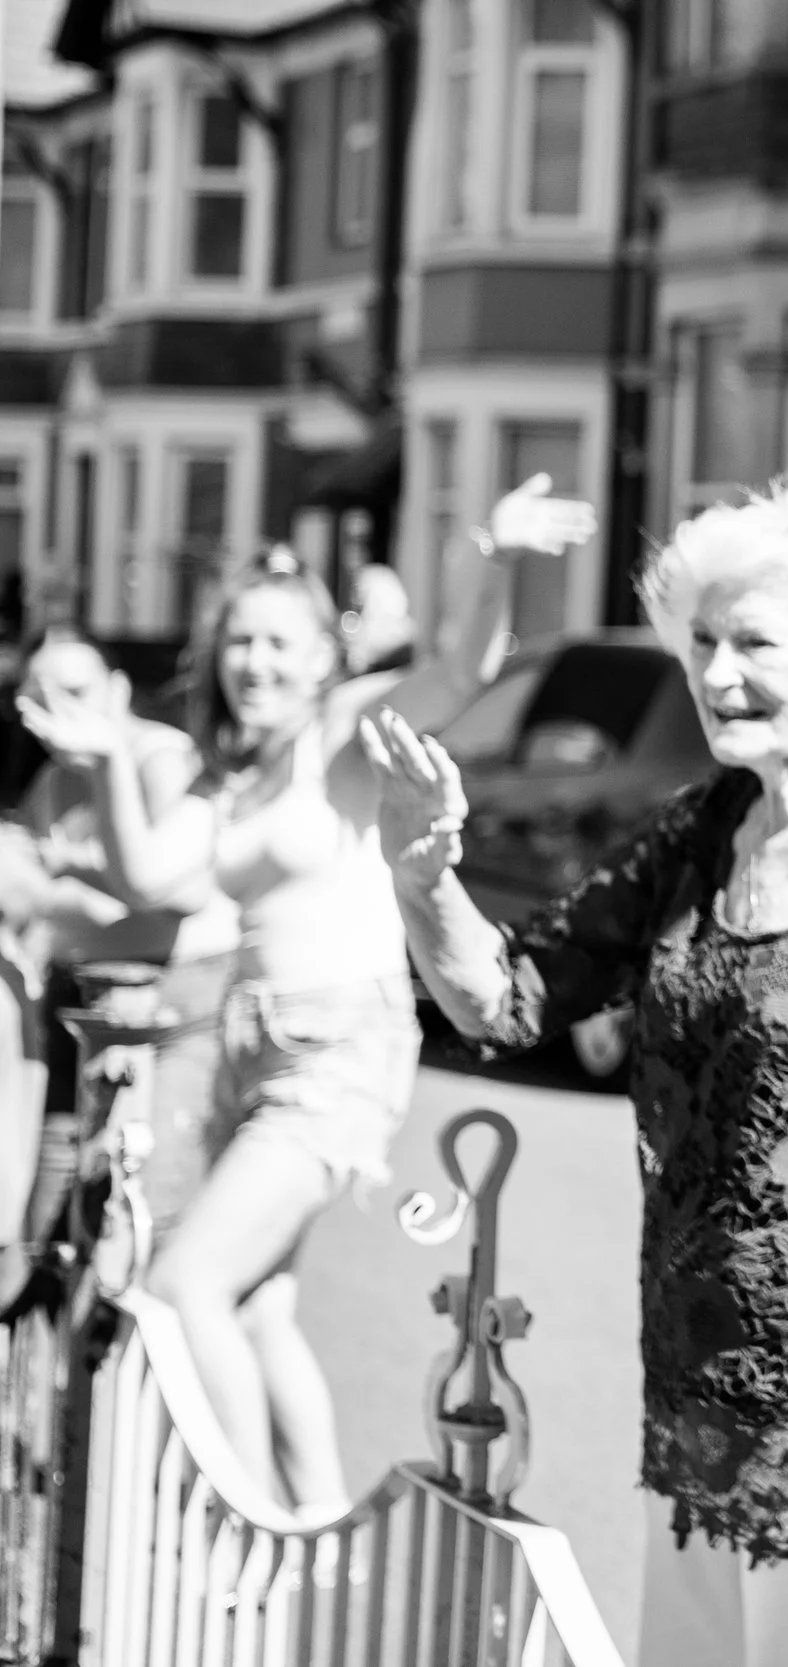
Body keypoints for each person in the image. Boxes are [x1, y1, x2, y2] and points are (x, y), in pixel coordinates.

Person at [364, 473, 788, 1667]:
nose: (717, 674)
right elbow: (508, 1000)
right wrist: (424, 875)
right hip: (694, 1393)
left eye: (755, 642)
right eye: (699, 640)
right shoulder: (706, 824)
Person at [16, 478, 595, 1518]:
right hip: (249, 1047)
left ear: (329, 655)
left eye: (281, 642)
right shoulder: (238, 774)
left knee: (185, 1284)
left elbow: (462, 664)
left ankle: (250, 1532)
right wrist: (106, 761)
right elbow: (153, 878)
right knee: (260, 1306)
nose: (257, 662)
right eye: (240, 641)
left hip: (333, 1049)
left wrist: (489, 552)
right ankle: (320, 1535)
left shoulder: (340, 732)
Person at [0, 626, 239, 1281]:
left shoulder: (163, 759)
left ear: (118, 689)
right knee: (45, 1222)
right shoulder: (52, 782)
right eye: (39, 696)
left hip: (166, 1011)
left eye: (76, 692)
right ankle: (51, 1370)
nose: (59, 712)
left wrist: (58, 887)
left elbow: (168, 897)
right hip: (78, 1007)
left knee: (140, 1221)